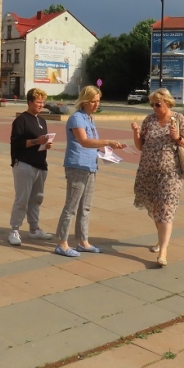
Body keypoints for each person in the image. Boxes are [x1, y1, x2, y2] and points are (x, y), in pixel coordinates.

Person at [54, 86, 126, 257]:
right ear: (84, 101)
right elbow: (84, 141)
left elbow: (93, 143)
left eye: (98, 101)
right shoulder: (76, 118)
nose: (96, 104)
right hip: (77, 166)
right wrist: (107, 141)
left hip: (90, 166)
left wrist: (108, 151)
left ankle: (83, 242)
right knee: (71, 206)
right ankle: (62, 243)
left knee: (85, 207)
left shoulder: (89, 118)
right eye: (93, 101)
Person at [130, 88, 184, 268]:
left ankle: (163, 251)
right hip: (148, 172)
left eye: (157, 104)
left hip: (170, 173)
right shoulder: (149, 120)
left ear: (167, 103)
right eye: (152, 104)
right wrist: (136, 132)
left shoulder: (179, 119)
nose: (154, 108)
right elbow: (141, 146)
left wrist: (177, 138)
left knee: (166, 209)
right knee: (156, 208)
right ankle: (161, 240)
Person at [8, 88, 54, 246]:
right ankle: (14, 229)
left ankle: (34, 229)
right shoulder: (21, 120)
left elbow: (41, 141)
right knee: (22, 199)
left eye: (43, 102)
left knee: (36, 199)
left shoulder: (42, 121)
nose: (41, 105)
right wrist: (36, 141)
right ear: (29, 102)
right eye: (38, 102)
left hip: (40, 164)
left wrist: (46, 144)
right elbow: (17, 143)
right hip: (24, 164)